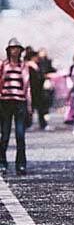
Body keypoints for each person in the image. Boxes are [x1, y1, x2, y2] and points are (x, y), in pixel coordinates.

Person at [0, 38, 32, 176]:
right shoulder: (3, 65)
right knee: (5, 135)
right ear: (9, 50)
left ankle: (21, 165)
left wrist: (29, 106)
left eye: (17, 48)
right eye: (13, 48)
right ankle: (2, 162)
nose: (15, 50)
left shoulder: (24, 66)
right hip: (5, 102)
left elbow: (27, 87)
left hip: (20, 102)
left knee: (20, 135)